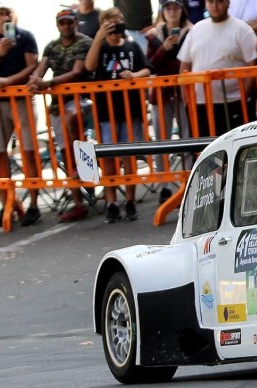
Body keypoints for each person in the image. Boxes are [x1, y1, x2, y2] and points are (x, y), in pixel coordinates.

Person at [0, 0, 41, 227]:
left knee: (29, 151)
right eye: (0, 13)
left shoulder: (26, 36)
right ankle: (7, 205)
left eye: (8, 13)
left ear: (15, 14)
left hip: (22, 100)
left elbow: (32, 66)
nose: (5, 17)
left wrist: (8, 81)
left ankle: (33, 205)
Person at [85, 7, 152, 224]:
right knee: (108, 157)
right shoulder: (101, 47)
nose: (115, 30)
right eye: (110, 25)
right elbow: (89, 66)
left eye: (118, 24)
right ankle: (112, 201)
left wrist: (133, 75)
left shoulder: (132, 45)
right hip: (106, 111)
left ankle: (130, 200)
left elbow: (146, 69)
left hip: (130, 109)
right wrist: (99, 37)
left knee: (129, 155)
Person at [28, 8, 92, 223]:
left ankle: (89, 183)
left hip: (82, 98)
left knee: (77, 132)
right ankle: (78, 202)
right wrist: (34, 81)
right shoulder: (52, 46)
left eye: (69, 22)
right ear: (57, 25)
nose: (66, 26)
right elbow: (41, 68)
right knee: (65, 149)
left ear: (76, 22)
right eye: (62, 23)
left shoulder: (84, 42)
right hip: (57, 103)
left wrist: (48, 83)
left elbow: (77, 71)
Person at [178, 0, 257, 136]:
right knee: (202, 147)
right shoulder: (196, 29)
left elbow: (253, 66)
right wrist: (186, 99)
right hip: (199, 105)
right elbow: (184, 64)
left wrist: (242, 99)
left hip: (233, 103)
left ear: (228, 3)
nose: (215, 6)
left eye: (219, 1)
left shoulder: (242, 29)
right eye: (210, 1)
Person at [145, 0, 192, 203]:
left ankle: (189, 182)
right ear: (162, 12)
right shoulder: (154, 35)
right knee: (161, 140)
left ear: (182, 10)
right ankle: (164, 184)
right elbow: (149, 65)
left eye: (176, 7)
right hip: (161, 93)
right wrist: (163, 48)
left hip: (183, 92)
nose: (172, 11)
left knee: (187, 138)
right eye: (168, 8)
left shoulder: (191, 31)